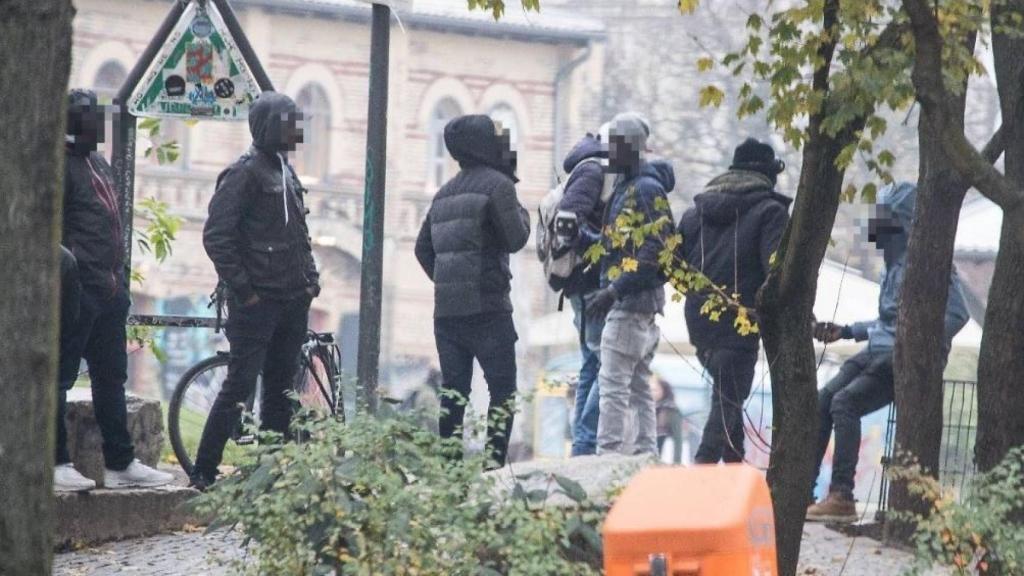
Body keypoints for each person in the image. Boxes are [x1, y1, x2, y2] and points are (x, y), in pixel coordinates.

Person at [806, 182, 969, 522]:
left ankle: (841, 496)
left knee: (845, 403)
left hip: (899, 359)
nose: (875, 226)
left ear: (903, 222)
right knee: (824, 400)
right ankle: (803, 491)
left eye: (884, 218)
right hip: (875, 350)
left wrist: (916, 344)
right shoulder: (893, 266)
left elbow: (958, 314)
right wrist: (848, 331)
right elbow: (887, 319)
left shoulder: (928, 266)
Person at [191, 92, 320, 490]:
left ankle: (270, 477)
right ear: (267, 125)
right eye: (287, 122)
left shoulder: (287, 173)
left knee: (281, 391)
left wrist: (310, 282)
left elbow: (300, 235)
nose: (295, 130)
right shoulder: (243, 174)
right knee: (240, 385)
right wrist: (246, 292)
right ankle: (203, 474)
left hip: (291, 300)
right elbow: (217, 237)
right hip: (257, 304)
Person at [57, 90, 174, 491]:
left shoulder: (99, 164)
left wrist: (119, 281)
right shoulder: (59, 167)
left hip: (108, 290)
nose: (97, 125)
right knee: (59, 376)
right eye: (88, 117)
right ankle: (56, 463)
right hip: (77, 289)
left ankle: (121, 463)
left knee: (111, 378)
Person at [415, 114, 530, 468]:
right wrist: (514, 195)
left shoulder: (443, 193)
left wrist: (448, 280)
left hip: (447, 313)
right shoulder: (498, 186)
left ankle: (448, 473)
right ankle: (493, 468)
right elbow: (517, 237)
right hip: (488, 308)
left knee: (454, 393)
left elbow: (422, 249)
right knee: (503, 390)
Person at [677, 137, 790, 464]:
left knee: (727, 397)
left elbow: (671, 265)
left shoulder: (693, 215)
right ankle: (703, 471)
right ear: (768, 175)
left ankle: (734, 465)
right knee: (728, 400)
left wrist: (702, 297)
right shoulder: (771, 212)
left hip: (699, 324)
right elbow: (776, 275)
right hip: (742, 323)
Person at [587, 112, 674, 457]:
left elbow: (655, 248)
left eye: (612, 146)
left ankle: (608, 458)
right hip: (639, 307)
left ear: (629, 148)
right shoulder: (633, 187)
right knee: (637, 388)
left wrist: (613, 290)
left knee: (615, 388)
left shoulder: (643, 189)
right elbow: (630, 246)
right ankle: (644, 455)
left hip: (629, 308)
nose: (608, 153)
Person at [557, 131, 611, 456]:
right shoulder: (593, 171)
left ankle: (583, 444)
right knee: (606, 362)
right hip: (588, 282)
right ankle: (585, 440)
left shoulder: (588, 169)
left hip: (582, 283)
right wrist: (603, 246)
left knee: (592, 363)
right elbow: (567, 223)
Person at [653, 377, 684, 464]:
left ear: (664, 391)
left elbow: (678, 440)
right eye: (651, 390)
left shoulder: (672, 410)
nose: (652, 393)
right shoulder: (652, 409)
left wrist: (677, 463)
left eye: (655, 390)